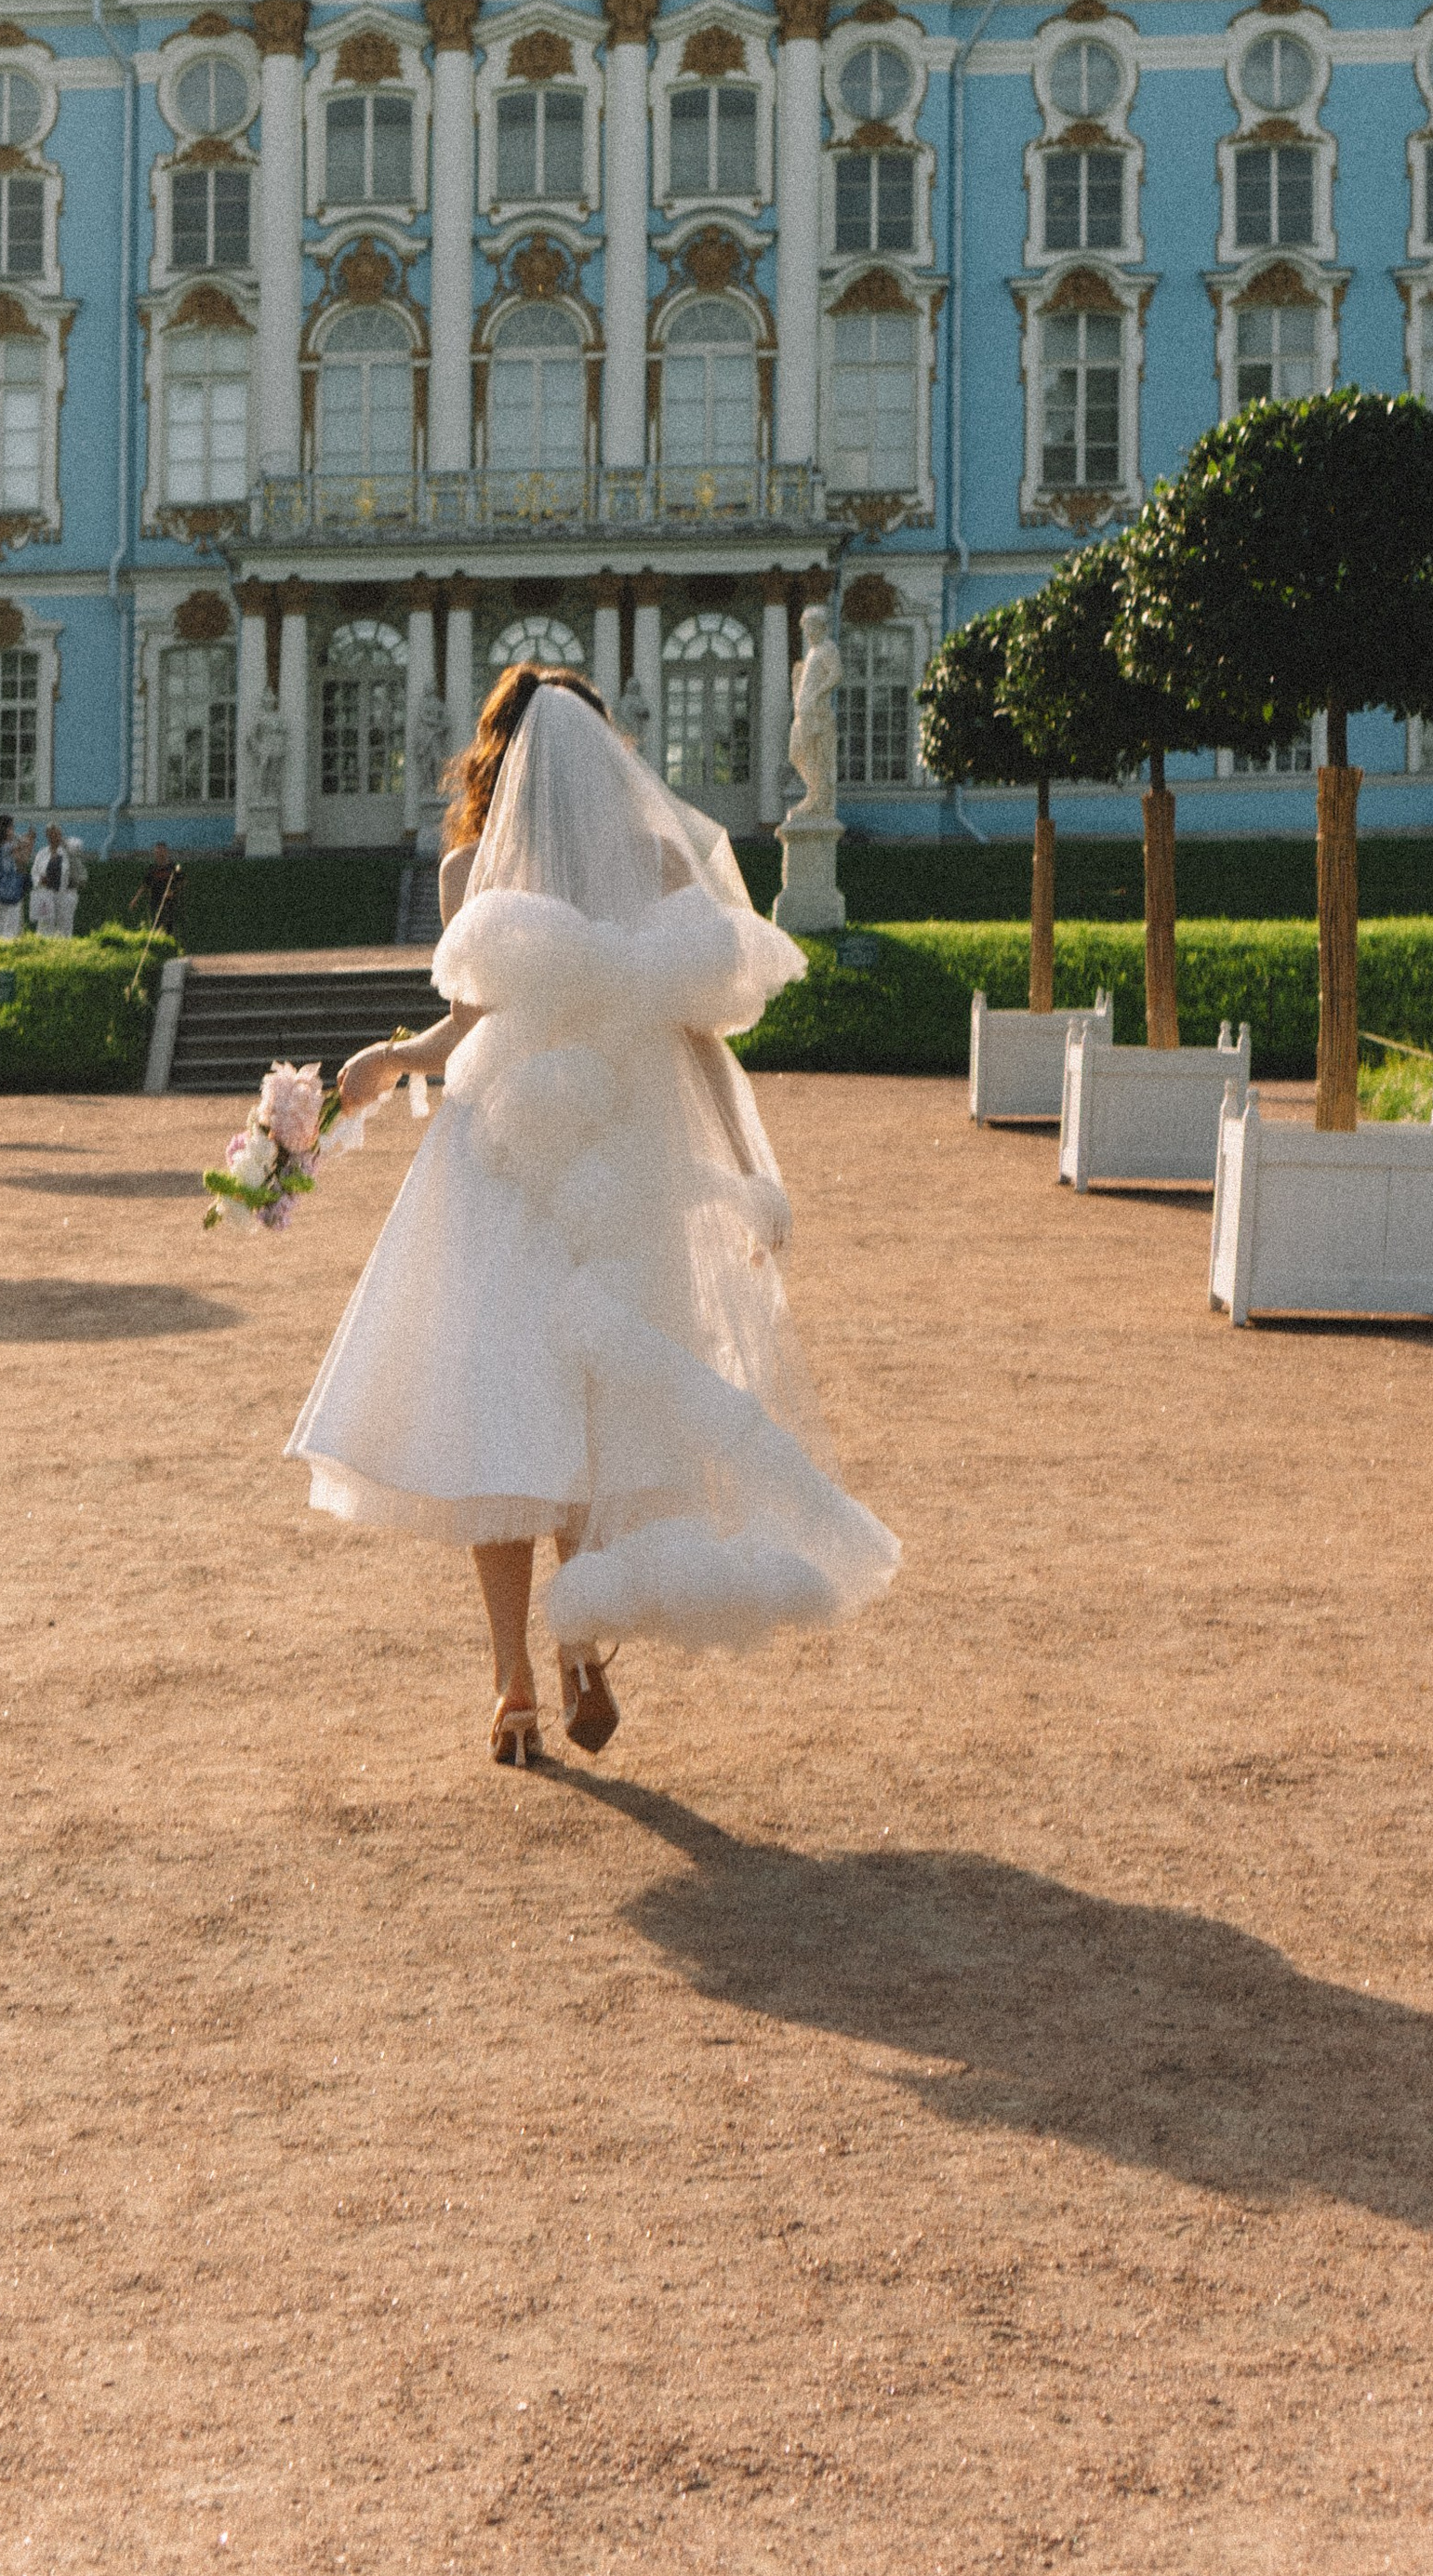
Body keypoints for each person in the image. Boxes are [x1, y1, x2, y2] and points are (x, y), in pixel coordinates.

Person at [286, 666, 899, 1769]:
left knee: (496, 1425)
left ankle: (511, 1685)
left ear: (494, 756)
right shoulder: (656, 859)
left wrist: (389, 1062)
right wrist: (747, 1176)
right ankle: (581, 1653)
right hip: (619, 1162)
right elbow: (697, 1037)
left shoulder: (473, 867)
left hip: (499, 1163)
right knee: (593, 1413)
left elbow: (463, 1029)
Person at [0, 814, 33, 938]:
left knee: (0, 924)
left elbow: (23, 858)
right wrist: (25, 838)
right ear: (6, 830)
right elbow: (23, 845)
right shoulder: (6, 846)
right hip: (9, 887)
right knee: (10, 924)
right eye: (11, 827)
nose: (13, 830)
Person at [29, 823, 86, 940]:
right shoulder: (42, 853)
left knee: (65, 925)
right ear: (47, 836)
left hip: (66, 894)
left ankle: (63, 949)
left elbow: (78, 847)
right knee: (45, 924)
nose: (53, 837)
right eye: (50, 834)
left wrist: (64, 843)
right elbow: (34, 872)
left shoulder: (68, 850)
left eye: (56, 834)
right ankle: (44, 947)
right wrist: (40, 880)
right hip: (46, 893)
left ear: (60, 834)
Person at [139, 840, 183, 940]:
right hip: (155, 899)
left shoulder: (173, 867)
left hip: (169, 900)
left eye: (162, 851)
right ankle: (157, 939)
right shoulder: (152, 868)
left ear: (166, 852)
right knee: (156, 920)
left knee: (168, 922)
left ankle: (169, 940)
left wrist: (172, 891)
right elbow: (145, 884)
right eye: (157, 851)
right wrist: (135, 899)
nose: (159, 854)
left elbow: (182, 881)